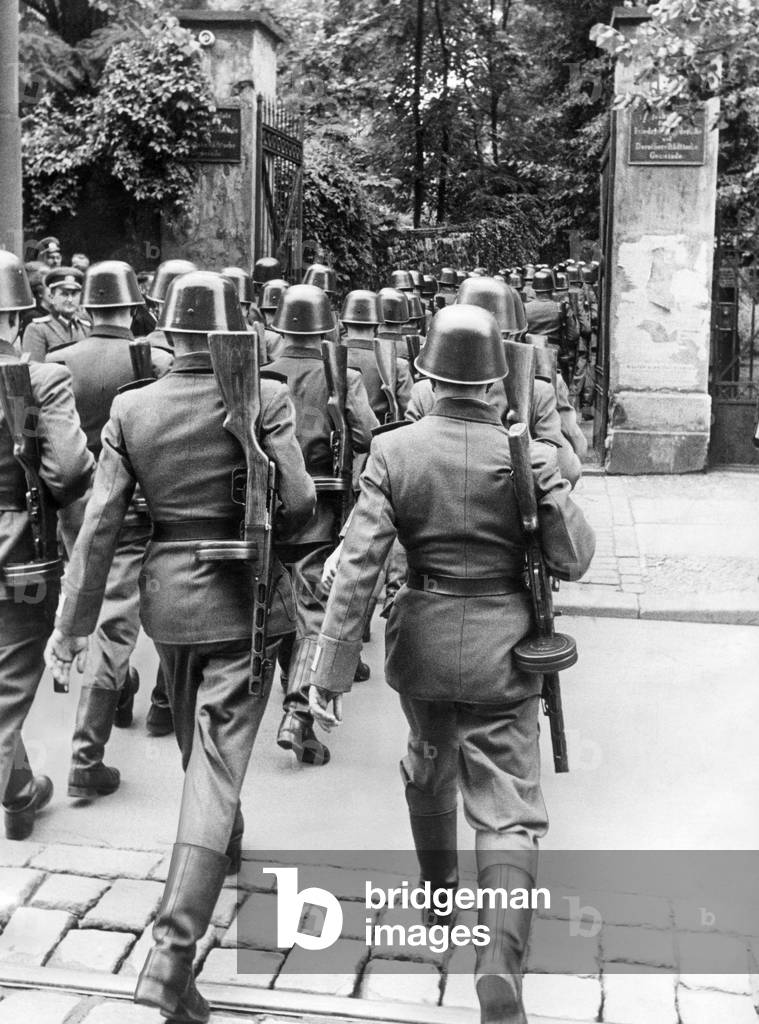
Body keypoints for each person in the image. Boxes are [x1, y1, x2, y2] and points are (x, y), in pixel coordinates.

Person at [308, 304, 595, 1024]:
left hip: (423, 647)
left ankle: (439, 900)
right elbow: (575, 559)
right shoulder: (524, 454)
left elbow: (360, 569)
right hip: (506, 648)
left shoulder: (394, 451)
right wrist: (544, 478)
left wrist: (327, 674)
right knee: (507, 811)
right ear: (497, 381)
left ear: (429, 378)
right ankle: (498, 962)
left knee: (427, 761)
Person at [46, 270, 315, 1022]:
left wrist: (71, 628)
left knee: (205, 749)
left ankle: (221, 837)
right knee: (217, 767)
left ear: (169, 332)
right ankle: (169, 958)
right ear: (235, 332)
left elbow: (100, 528)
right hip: (246, 604)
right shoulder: (263, 398)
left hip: (170, 605)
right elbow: (296, 505)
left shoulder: (134, 408)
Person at [50, 260, 172, 799]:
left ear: (90, 305)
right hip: (142, 503)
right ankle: (87, 753)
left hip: (82, 506)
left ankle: (120, 695)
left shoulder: (57, 361)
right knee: (126, 624)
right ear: (132, 304)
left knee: (98, 611)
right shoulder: (157, 360)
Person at [0, 251, 93, 840]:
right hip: (18, 557)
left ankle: (20, 792)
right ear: (15, 319)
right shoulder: (39, 379)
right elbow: (67, 473)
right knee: (10, 687)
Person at [265, 284, 379, 765]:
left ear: (282, 328)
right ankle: (297, 714)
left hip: (267, 507)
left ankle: (295, 697)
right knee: (313, 608)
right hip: (321, 507)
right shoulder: (342, 375)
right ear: (323, 329)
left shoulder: (260, 374)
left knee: (276, 602)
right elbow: (368, 435)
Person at [523, 269, 579, 385]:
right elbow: (573, 335)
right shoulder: (561, 307)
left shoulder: (524, 308)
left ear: (535, 288)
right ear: (552, 288)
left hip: (531, 354)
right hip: (555, 354)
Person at [22, 267, 90, 361]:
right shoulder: (37, 329)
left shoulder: (85, 328)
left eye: (74, 294)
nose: (70, 300)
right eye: (64, 294)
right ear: (52, 298)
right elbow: (34, 369)